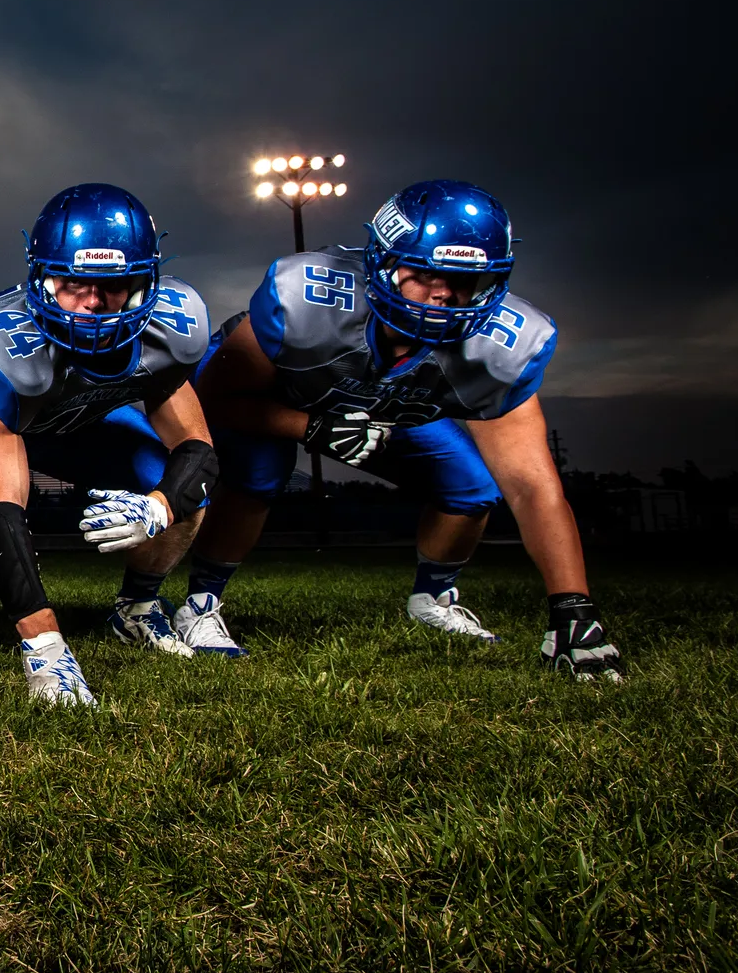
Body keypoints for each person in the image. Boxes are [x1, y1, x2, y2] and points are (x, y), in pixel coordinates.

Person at [179, 178, 625, 680]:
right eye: (424, 272)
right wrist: (311, 427)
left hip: (386, 410)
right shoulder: (306, 301)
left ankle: (432, 598)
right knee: (259, 472)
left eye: (465, 280)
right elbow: (217, 399)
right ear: (383, 262)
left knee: (471, 487)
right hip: (279, 399)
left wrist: (574, 610)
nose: (444, 294)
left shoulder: (501, 349)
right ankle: (200, 603)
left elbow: (532, 485)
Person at [0, 183, 220, 706]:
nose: (92, 304)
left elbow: (197, 449)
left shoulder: (173, 329)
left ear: (147, 282)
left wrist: (160, 505)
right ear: (41, 279)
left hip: (81, 421)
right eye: (71, 283)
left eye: (114, 285)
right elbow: (1, 512)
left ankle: (137, 606)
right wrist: (46, 648)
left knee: (186, 493)